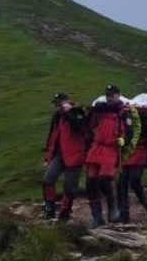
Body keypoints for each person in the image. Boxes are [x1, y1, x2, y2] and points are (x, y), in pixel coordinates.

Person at [85, 84, 134, 226]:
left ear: (118, 95)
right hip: (96, 148)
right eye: (107, 95)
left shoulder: (124, 111)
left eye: (112, 95)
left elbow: (129, 133)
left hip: (110, 149)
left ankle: (113, 208)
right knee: (90, 184)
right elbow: (89, 124)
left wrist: (123, 142)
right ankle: (97, 217)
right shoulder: (102, 109)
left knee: (104, 179)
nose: (109, 98)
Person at [42, 92, 88, 222]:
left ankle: (64, 213)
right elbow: (52, 136)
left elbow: (80, 129)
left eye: (60, 103)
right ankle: (49, 209)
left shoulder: (78, 112)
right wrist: (48, 155)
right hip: (59, 154)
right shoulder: (57, 116)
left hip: (75, 155)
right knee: (48, 179)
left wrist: (69, 113)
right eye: (57, 104)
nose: (59, 106)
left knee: (70, 186)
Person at [118, 93, 147, 221]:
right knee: (122, 182)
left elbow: (143, 133)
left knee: (134, 179)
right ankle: (124, 213)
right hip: (128, 152)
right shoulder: (128, 116)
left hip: (141, 151)